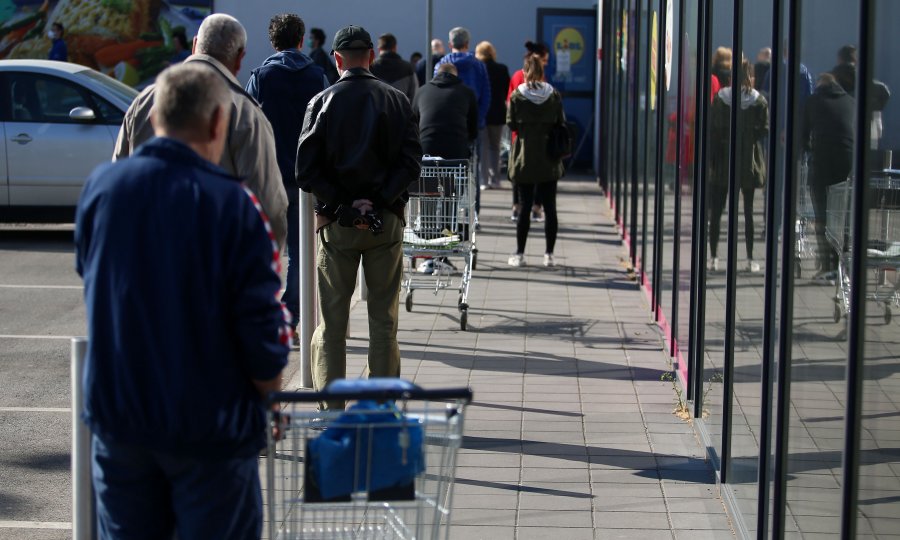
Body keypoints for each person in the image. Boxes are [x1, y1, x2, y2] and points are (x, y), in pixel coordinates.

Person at [75, 63, 290, 540]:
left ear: (155, 119)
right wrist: (269, 394)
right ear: (218, 123)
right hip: (209, 426)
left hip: (120, 419)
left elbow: (93, 280)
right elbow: (260, 326)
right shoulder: (233, 205)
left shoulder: (102, 190)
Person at [296, 25, 422, 411]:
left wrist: (345, 206)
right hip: (386, 222)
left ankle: (332, 410)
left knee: (332, 323)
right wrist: (380, 200)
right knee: (383, 321)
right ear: (370, 56)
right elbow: (411, 163)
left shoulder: (321, 102)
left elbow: (305, 170)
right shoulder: (398, 101)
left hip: (338, 225)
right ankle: (380, 408)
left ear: (337, 60)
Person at [113, 13, 288, 251]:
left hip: (148, 262)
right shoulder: (245, 113)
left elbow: (119, 184)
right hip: (215, 268)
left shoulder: (143, 102)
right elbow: (267, 205)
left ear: (195, 44)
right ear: (239, 59)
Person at [246, 13, 327, 342]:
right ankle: (291, 316)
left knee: (264, 252)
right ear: (300, 39)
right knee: (299, 252)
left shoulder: (262, 76)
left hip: (269, 178)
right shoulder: (318, 76)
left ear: (273, 41)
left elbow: (248, 124)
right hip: (305, 180)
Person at [708, 58, 769, 273]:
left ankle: (714, 256)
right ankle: (750, 257)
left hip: (724, 159)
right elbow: (764, 129)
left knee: (717, 211)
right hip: (748, 161)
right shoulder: (758, 100)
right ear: (750, 75)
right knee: (749, 211)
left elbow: (713, 127)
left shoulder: (721, 98)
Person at [506, 54, 565, 268]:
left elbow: (511, 124)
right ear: (542, 72)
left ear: (524, 72)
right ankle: (549, 254)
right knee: (550, 207)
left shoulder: (517, 96)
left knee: (524, 206)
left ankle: (520, 253)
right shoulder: (553, 95)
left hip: (525, 157)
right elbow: (561, 122)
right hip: (549, 157)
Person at [802, 72, 855, 278]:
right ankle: (845, 262)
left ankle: (827, 264)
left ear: (819, 85)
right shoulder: (850, 101)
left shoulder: (813, 101)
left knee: (822, 215)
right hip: (847, 163)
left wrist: (807, 149)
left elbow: (802, 134)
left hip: (822, 161)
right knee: (843, 215)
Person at [435, 27, 490, 218]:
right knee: (472, 173)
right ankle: (473, 213)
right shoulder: (478, 65)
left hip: (445, 128)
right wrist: (478, 120)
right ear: (468, 44)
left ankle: (443, 213)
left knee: (441, 172)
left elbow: (436, 94)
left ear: (450, 44)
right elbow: (486, 96)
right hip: (471, 128)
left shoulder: (442, 64)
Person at [507, 41, 549, 222]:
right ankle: (536, 207)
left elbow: (509, 104)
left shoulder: (516, 76)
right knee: (539, 172)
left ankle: (517, 206)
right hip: (539, 136)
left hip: (519, 135)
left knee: (518, 172)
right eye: (545, 60)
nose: (546, 63)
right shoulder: (544, 85)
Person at [412, 63, 477, 159]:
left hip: (427, 149)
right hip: (457, 150)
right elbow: (473, 126)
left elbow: (413, 123)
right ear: (456, 75)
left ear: (436, 74)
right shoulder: (467, 92)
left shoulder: (421, 91)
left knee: (427, 172)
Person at [476, 40, 510, 190]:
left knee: (483, 148)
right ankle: (495, 179)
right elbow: (507, 89)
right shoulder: (502, 69)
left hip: (482, 112)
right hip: (498, 113)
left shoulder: (478, 68)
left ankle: (483, 180)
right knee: (495, 147)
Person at [370, 33, 417, 103]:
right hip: (401, 111)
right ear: (395, 47)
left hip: (376, 112)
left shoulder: (370, 67)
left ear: (379, 49)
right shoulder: (408, 68)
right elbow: (414, 95)